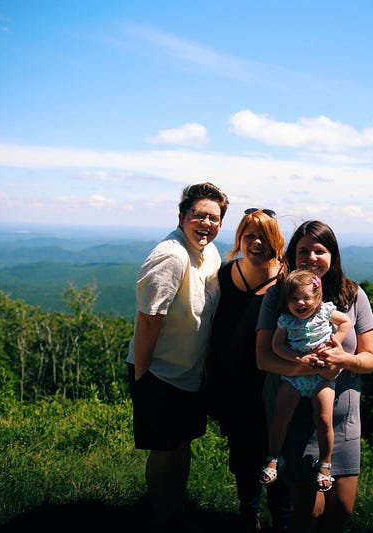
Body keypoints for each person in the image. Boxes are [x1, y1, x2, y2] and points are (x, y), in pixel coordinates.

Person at [256, 220, 373, 533]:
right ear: (292, 255)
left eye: (319, 250)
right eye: (303, 251)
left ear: (332, 256)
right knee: (309, 514)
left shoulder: (353, 296)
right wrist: (309, 367)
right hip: (297, 417)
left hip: (344, 421)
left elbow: (369, 360)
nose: (311, 257)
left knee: (342, 510)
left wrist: (343, 359)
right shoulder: (279, 296)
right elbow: (264, 357)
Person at [126, 181, 229, 529]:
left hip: (190, 373)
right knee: (164, 449)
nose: (207, 223)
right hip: (160, 372)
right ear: (182, 216)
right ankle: (161, 515)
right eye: (199, 215)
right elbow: (148, 320)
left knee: (182, 443)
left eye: (214, 218)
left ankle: (175, 509)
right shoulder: (171, 256)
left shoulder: (209, 253)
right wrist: (142, 376)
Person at [206, 207, 293, 532]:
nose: (256, 242)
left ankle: (283, 521)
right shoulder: (224, 276)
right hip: (233, 386)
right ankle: (249, 516)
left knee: (279, 456)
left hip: (275, 385)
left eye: (264, 236)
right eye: (250, 235)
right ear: (240, 238)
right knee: (244, 459)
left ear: (277, 241)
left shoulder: (287, 281)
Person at [261, 269, 353, 494]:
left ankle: (325, 464)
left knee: (323, 420)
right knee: (280, 416)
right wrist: (298, 359)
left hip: (322, 377)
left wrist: (334, 343)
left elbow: (346, 322)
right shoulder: (286, 320)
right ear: (287, 301)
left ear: (317, 297)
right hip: (294, 377)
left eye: (306, 297)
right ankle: (273, 459)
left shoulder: (325, 312)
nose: (300, 303)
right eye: (294, 298)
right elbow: (276, 345)